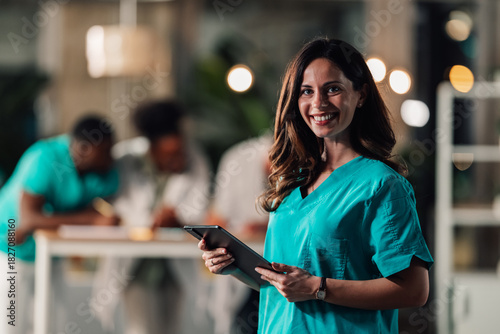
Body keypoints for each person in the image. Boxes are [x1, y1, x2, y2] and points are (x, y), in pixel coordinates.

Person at [198, 37, 434, 333]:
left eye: (333, 89)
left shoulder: (382, 185)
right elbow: (286, 288)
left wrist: (317, 288)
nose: (318, 103)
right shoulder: (293, 180)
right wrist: (235, 267)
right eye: (306, 91)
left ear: (360, 95)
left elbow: (414, 290)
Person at [93, 100, 211, 334]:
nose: (176, 160)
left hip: (174, 265)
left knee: (172, 328)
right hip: (136, 265)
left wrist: (178, 220)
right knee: (141, 329)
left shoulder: (196, 160)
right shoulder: (125, 160)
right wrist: (150, 221)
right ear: (151, 148)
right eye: (168, 155)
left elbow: (200, 207)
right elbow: (116, 208)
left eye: (179, 152)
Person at [0, 115, 120, 334]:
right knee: (11, 323)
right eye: (104, 152)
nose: (110, 159)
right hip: (11, 245)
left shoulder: (105, 173)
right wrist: (89, 218)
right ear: (83, 149)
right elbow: (28, 219)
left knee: (55, 323)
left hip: (52, 251)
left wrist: (40, 223)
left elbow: (112, 217)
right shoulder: (44, 158)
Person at [205, 133, 272, 334]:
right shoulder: (239, 160)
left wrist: (264, 226)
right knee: (243, 320)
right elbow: (217, 216)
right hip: (245, 263)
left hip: (279, 265)